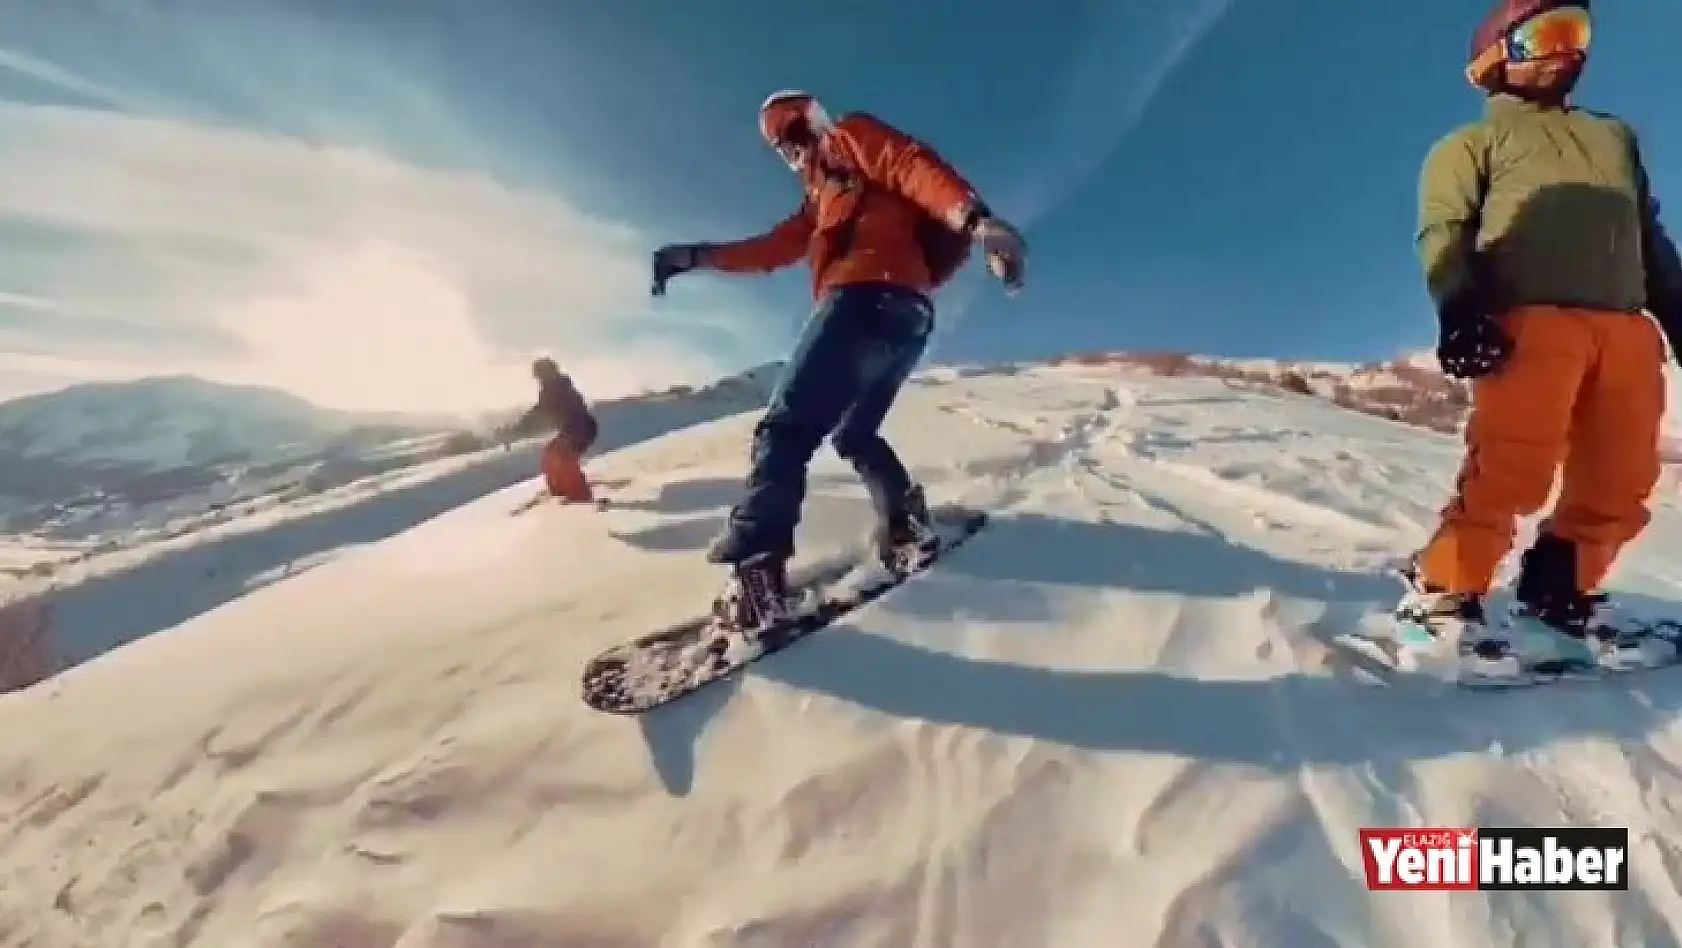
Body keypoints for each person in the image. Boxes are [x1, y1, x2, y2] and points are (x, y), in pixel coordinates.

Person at [650, 90, 1027, 634]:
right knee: (854, 434)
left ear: (816, 122)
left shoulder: (849, 140)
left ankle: (758, 577)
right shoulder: (819, 200)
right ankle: (906, 525)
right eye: (780, 146)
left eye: (795, 134)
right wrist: (695, 257)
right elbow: (771, 250)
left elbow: (908, 164)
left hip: (862, 299)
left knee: (785, 429)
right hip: (907, 316)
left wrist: (975, 221)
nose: (790, 152)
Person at [1399, 0, 1682, 681]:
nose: (1569, 50)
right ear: (1495, 56)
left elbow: (1650, 239)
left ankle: (1559, 603)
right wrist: (1460, 307)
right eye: (1548, 35)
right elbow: (1444, 232)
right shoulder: (1469, 146)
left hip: (1624, 329)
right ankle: (1443, 595)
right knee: (1512, 466)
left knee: (1620, 478)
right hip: (1529, 322)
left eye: (1578, 34)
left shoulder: (1614, 138)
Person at [516, 356, 599, 503]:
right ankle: (560, 492)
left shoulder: (555, 388)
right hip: (575, 429)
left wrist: (520, 427)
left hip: (580, 428)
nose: (539, 380)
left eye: (539, 375)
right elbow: (542, 412)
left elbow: (541, 411)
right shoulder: (556, 386)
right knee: (550, 455)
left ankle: (580, 497)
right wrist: (521, 426)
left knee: (562, 457)